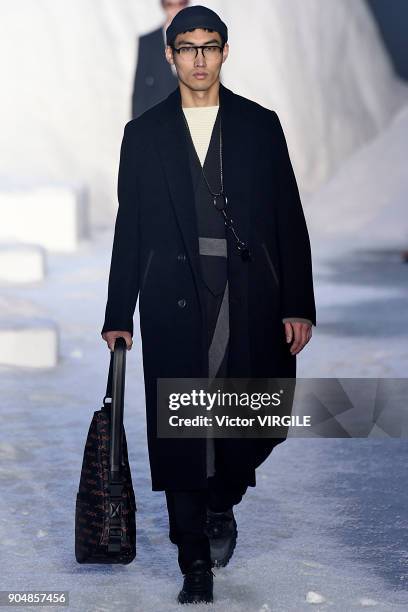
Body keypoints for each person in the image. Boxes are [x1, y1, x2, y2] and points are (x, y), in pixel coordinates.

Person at [101, 5, 316, 605]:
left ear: (225, 52)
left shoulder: (259, 125)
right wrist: (119, 314)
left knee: (254, 418)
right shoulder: (143, 135)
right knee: (184, 430)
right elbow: (130, 229)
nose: (199, 58)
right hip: (174, 298)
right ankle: (192, 555)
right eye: (188, 47)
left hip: (250, 295)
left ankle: (224, 498)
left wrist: (297, 302)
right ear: (169, 56)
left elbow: (288, 219)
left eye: (210, 46)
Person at [131, 0, 190, 119]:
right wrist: (137, 128)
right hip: (158, 117)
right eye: (170, 5)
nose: (176, 9)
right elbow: (139, 88)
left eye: (181, 4)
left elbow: (212, 79)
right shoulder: (148, 41)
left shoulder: (200, 39)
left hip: (192, 116)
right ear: (163, 6)